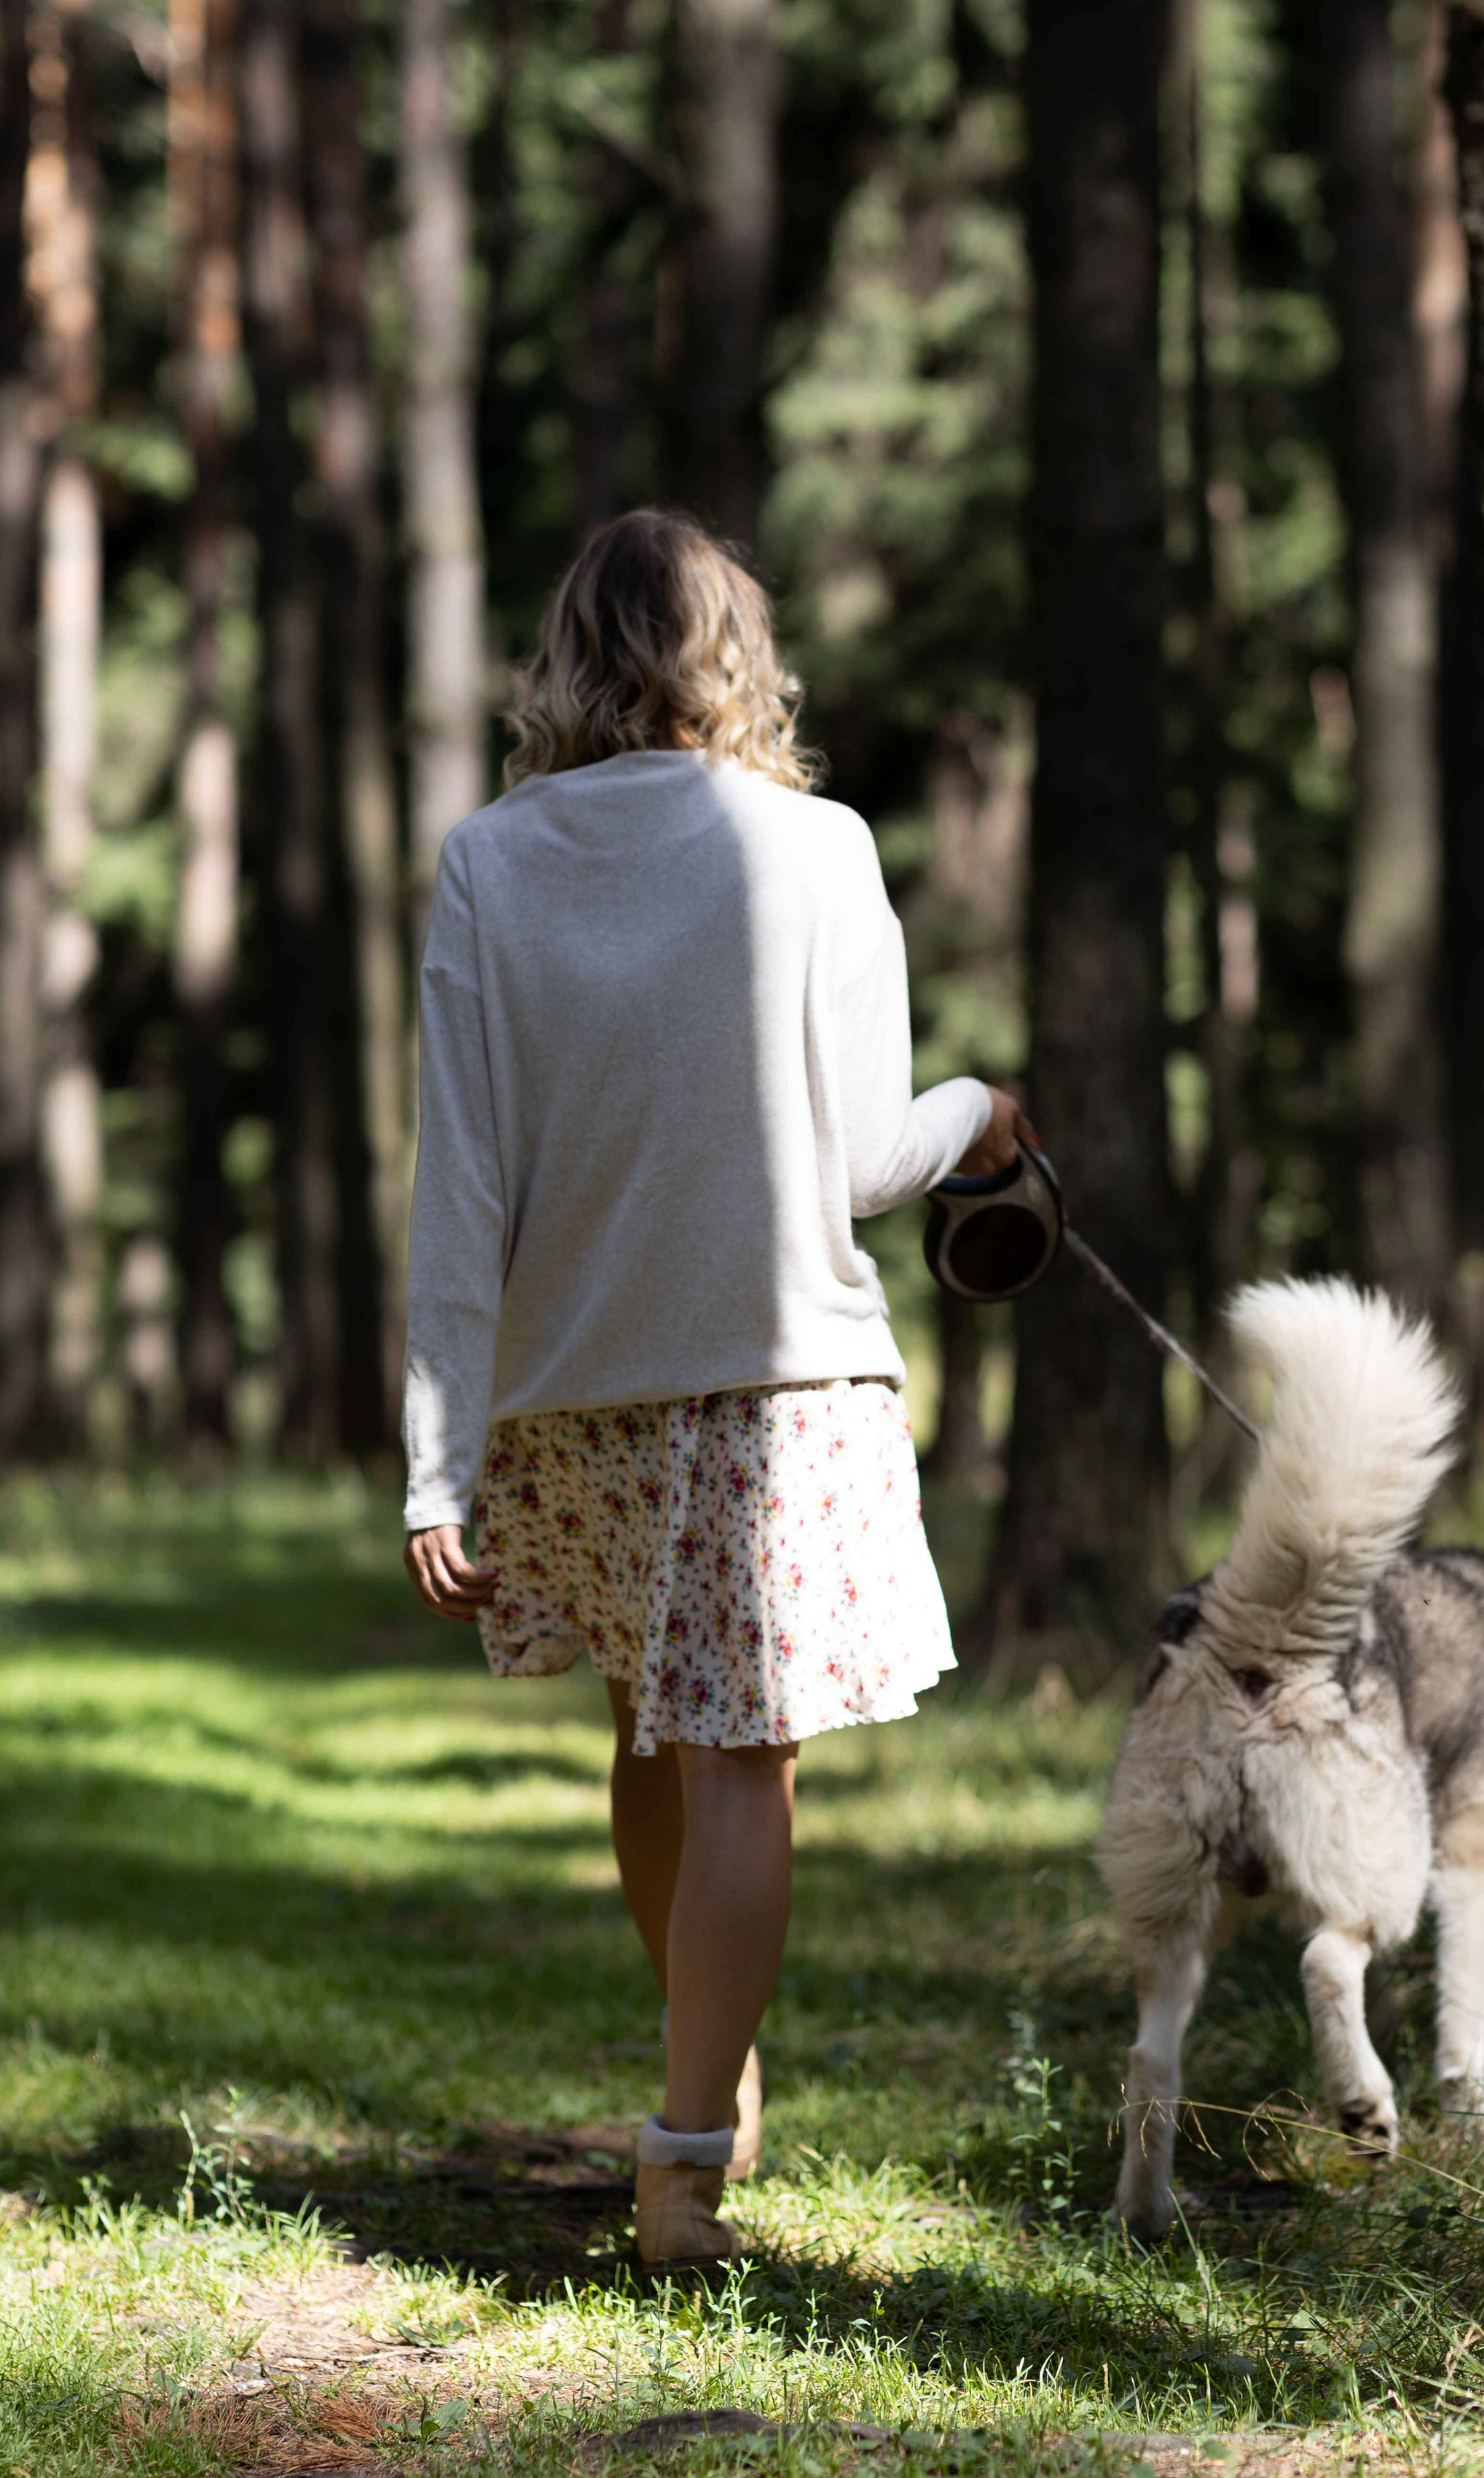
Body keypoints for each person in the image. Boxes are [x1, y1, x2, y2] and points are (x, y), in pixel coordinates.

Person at [399, 507, 1034, 2267]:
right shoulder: (816, 846)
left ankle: (704, 2078)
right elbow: (856, 1160)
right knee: (740, 1760)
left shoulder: (489, 862)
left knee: (650, 1730)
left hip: (578, 1384)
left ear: (566, 663)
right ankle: (684, 2153)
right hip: (774, 1377)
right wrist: (979, 1108)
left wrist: (434, 1463)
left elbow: (460, 1181)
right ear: (735, 659)